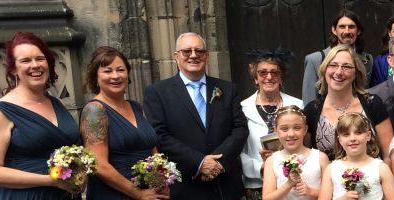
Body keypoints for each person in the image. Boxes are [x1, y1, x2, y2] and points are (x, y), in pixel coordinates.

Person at [0, 32, 83, 199]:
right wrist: (50, 180)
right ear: (13, 69)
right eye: (25, 61)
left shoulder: (58, 103)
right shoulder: (0, 112)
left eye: (40, 59)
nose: (35, 65)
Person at [144, 32, 248, 200]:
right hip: (186, 185)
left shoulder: (227, 89)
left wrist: (217, 163)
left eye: (199, 51)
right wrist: (199, 162)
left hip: (225, 185)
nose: (193, 55)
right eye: (187, 51)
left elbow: (240, 129)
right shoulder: (157, 92)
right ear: (176, 56)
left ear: (206, 56)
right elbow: (159, 135)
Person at [80, 46, 166, 200]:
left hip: (149, 193)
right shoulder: (94, 110)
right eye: (107, 71)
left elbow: (151, 148)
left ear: (128, 73)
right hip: (114, 194)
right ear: (96, 77)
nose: (115, 76)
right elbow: (99, 165)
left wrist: (161, 182)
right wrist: (138, 194)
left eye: (120, 70)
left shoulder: (136, 107)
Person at [304, 44, 394, 161]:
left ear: (356, 73)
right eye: (333, 65)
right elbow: (305, 158)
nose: (339, 72)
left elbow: (388, 155)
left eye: (346, 67)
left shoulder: (372, 104)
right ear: (324, 69)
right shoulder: (312, 110)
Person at [240, 48, 304, 200]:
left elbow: (305, 143)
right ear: (255, 78)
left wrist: (285, 160)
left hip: (291, 182)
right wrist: (261, 167)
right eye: (262, 73)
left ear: (281, 77)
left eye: (274, 73)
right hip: (257, 184)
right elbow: (238, 150)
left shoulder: (298, 105)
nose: (269, 77)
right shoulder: (241, 108)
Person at [319, 113, 394, 200]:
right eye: (346, 134)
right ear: (339, 140)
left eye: (358, 133)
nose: (353, 138)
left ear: (368, 135)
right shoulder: (331, 169)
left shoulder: (381, 168)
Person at [303, 9, 374, 104]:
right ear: (334, 30)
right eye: (342, 27)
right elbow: (309, 100)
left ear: (359, 30)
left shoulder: (367, 59)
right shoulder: (315, 60)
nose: (347, 31)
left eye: (351, 27)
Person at [261, 106, 330, 200]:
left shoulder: (320, 158)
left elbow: (331, 194)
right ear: (276, 131)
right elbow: (267, 198)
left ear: (305, 130)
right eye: (284, 129)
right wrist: (288, 184)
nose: (291, 134)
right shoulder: (271, 161)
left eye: (297, 128)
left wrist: (310, 191)